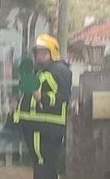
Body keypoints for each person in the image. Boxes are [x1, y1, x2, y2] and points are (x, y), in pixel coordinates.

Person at [12, 34, 72, 179]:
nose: (39, 56)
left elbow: (63, 96)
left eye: (43, 53)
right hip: (36, 127)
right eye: (37, 53)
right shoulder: (40, 72)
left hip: (46, 128)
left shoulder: (59, 70)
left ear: (53, 53)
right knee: (41, 164)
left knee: (44, 164)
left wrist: (43, 97)